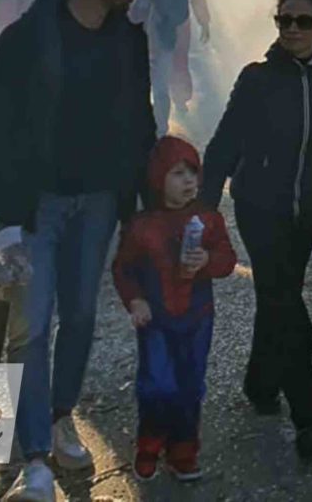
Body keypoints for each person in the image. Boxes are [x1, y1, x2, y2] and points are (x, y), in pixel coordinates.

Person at [0, 0, 154, 502]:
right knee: (33, 326)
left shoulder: (129, 40)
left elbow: (140, 123)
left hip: (100, 202)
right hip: (35, 204)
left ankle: (61, 414)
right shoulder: (26, 38)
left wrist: (143, 205)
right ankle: (35, 458)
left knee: (83, 316)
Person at [202, 0, 312, 463]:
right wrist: (204, 209)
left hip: (305, 209)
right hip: (258, 205)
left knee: (278, 298)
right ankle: (308, 418)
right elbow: (224, 144)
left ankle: (260, 385)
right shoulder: (256, 78)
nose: (292, 29)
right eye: (284, 20)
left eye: (303, 21)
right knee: (288, 305)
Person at [113, 136, 237, 482]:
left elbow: (228, 259)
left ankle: (183, 450)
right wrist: (135, 300)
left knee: (190, 385)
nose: (189, 181)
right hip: (156, 319)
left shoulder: (208, 220)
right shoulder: (142, 225)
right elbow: (123, 268)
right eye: (178, 174)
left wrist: (208, 260)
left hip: (198, 318)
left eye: (193, 173)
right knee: (156, 384)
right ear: (158, 178)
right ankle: (149, 444)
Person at [131, 0, 194, 134]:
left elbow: (181, 13)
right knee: (134, 88)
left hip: (163, 42)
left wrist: (162, 5)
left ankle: (160, 132)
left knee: (160, 91)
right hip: (134, 42)